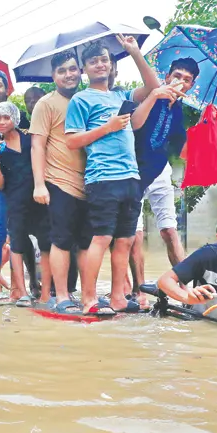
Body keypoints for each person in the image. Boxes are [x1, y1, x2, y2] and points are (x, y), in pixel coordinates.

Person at [63, 36, 162, 314]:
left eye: (104, 59)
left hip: (131, 177)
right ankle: (90, 300)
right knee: (102, 238)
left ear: (111, 64)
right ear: (84, 69)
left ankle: (118, 297)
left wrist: (134, 52)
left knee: (125, 241)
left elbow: (154, 88)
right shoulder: (81, 100)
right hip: (103, 178)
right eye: (93, 61)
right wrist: (107, 127)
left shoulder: (122, 97)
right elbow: (72, 141)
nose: (100, 64)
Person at [129, 57, 197, 292]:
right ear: (167, 77)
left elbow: (184, 152)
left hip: (160, 172)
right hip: (133, 172)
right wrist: (155, 94)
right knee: (135, 235)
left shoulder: (179, 112)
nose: (180, 82)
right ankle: (140, 291)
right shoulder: (151, 96)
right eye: (177, 76)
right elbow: (134, 124)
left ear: (191, 87)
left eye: (187, 80)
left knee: (169, 230)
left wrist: (207, 122)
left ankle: (186, 289)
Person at [30, 49, 88, 314]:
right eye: (62, 70)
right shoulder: (46, 104)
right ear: (53, 76)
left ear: (80, 71)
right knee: (61, 240)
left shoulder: (88, 99)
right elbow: (37, 146)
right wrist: (39, 184)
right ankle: (62, 296)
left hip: (90, 183)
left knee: (86, 242)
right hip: (59, 181)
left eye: (72, 68)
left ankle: (88, 296)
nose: (68, 74)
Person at [0, 101, 51, 306]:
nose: (1, 122)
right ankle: (20, 291)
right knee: (17, 245)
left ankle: (46, 291)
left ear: (15, 118)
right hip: (15, 200)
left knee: (46, 243)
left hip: (38, 197)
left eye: (6, 117)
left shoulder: (31, 140)